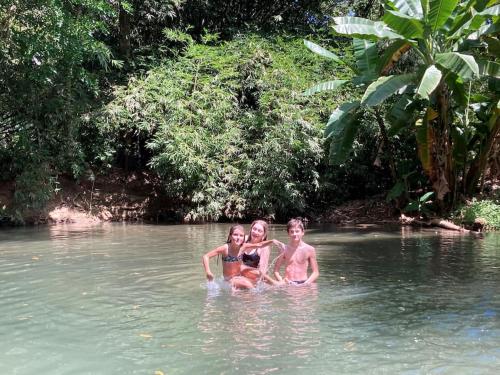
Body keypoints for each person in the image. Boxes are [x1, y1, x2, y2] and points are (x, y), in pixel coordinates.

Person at [201, 224, 254, 289]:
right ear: (230, 236)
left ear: (243, 238)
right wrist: (208, 272)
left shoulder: (243, 247)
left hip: (239, 277)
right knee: (248, 285)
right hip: (229, 280)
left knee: (257, 277)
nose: (238, 238)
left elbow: (259, 245)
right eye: (235, 235)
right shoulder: (225, 248)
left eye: (241, 236)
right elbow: (206, 256)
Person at [273, 218, 319, 285]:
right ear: (288, 233)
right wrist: (282, 282)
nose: (294, 234)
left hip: (304, 282)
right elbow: (275, 271)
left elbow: (315, 272)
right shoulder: (283, 249)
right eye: (292, 231)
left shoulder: (310, 249)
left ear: (303, 232)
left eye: (297, 231)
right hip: (288, 283)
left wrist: (306, 284)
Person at [237, 219, 279, 285]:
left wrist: (242, 268)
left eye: (259, 231)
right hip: (241, 276)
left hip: (256, 280)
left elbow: (262, 272)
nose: (255, 232)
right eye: (254, 229)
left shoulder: (264, 248)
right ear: (251, 229)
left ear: (264, 234)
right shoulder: (243, 239)